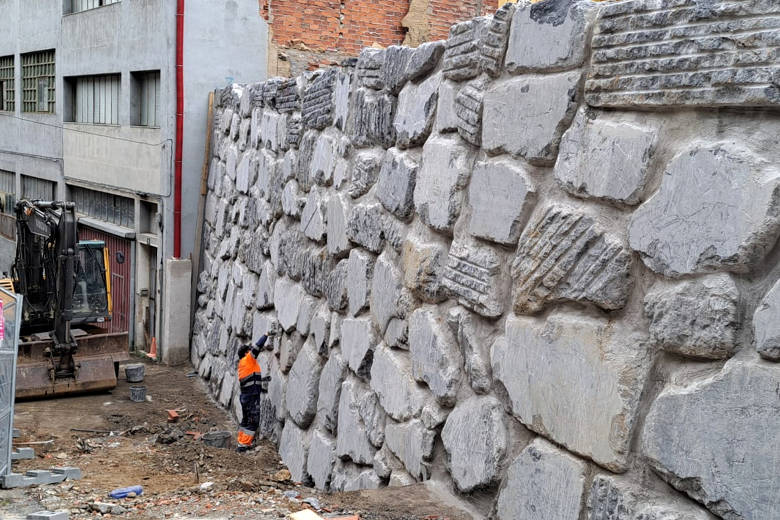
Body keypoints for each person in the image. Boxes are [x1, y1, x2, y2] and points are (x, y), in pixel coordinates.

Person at [235, 332, 273, 452]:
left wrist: (263, 380)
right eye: (249, 350)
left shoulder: (243, 364)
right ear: (246, 353)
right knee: (253, 421)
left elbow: (251, 379)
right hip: (251, 397)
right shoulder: (248, 359)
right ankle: (243, 446)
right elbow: (257, 347)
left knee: (246, 420)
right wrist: (266, 335)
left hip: (246, 396)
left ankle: (241, 441)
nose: (252, 351)